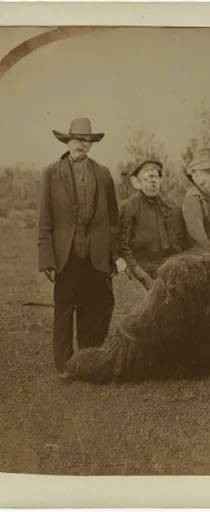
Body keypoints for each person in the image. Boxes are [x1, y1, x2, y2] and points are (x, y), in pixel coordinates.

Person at [37, 117, 126, 376]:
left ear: (91, 144)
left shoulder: (103, 174)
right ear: (68, 141)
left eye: (87, 141)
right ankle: (64, 366)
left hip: (95, 255)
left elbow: (113, 219)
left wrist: (115, 255)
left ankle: (88, 361)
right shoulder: (51, 173)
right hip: (66, 255)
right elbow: (44, 219)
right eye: (77, 140)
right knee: (64, 310)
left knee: (94, 307)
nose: (82, 145)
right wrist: (47, 260)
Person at [118, 159, 185, 290]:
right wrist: (145, 278)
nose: (152, 182)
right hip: (140, 268)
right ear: (138, 183)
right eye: (147, 178)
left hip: (166, 267)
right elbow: (124, 248)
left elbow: (177, 244)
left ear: (160, 181)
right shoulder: (129, 207)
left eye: (155, 177)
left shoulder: (169, 207)